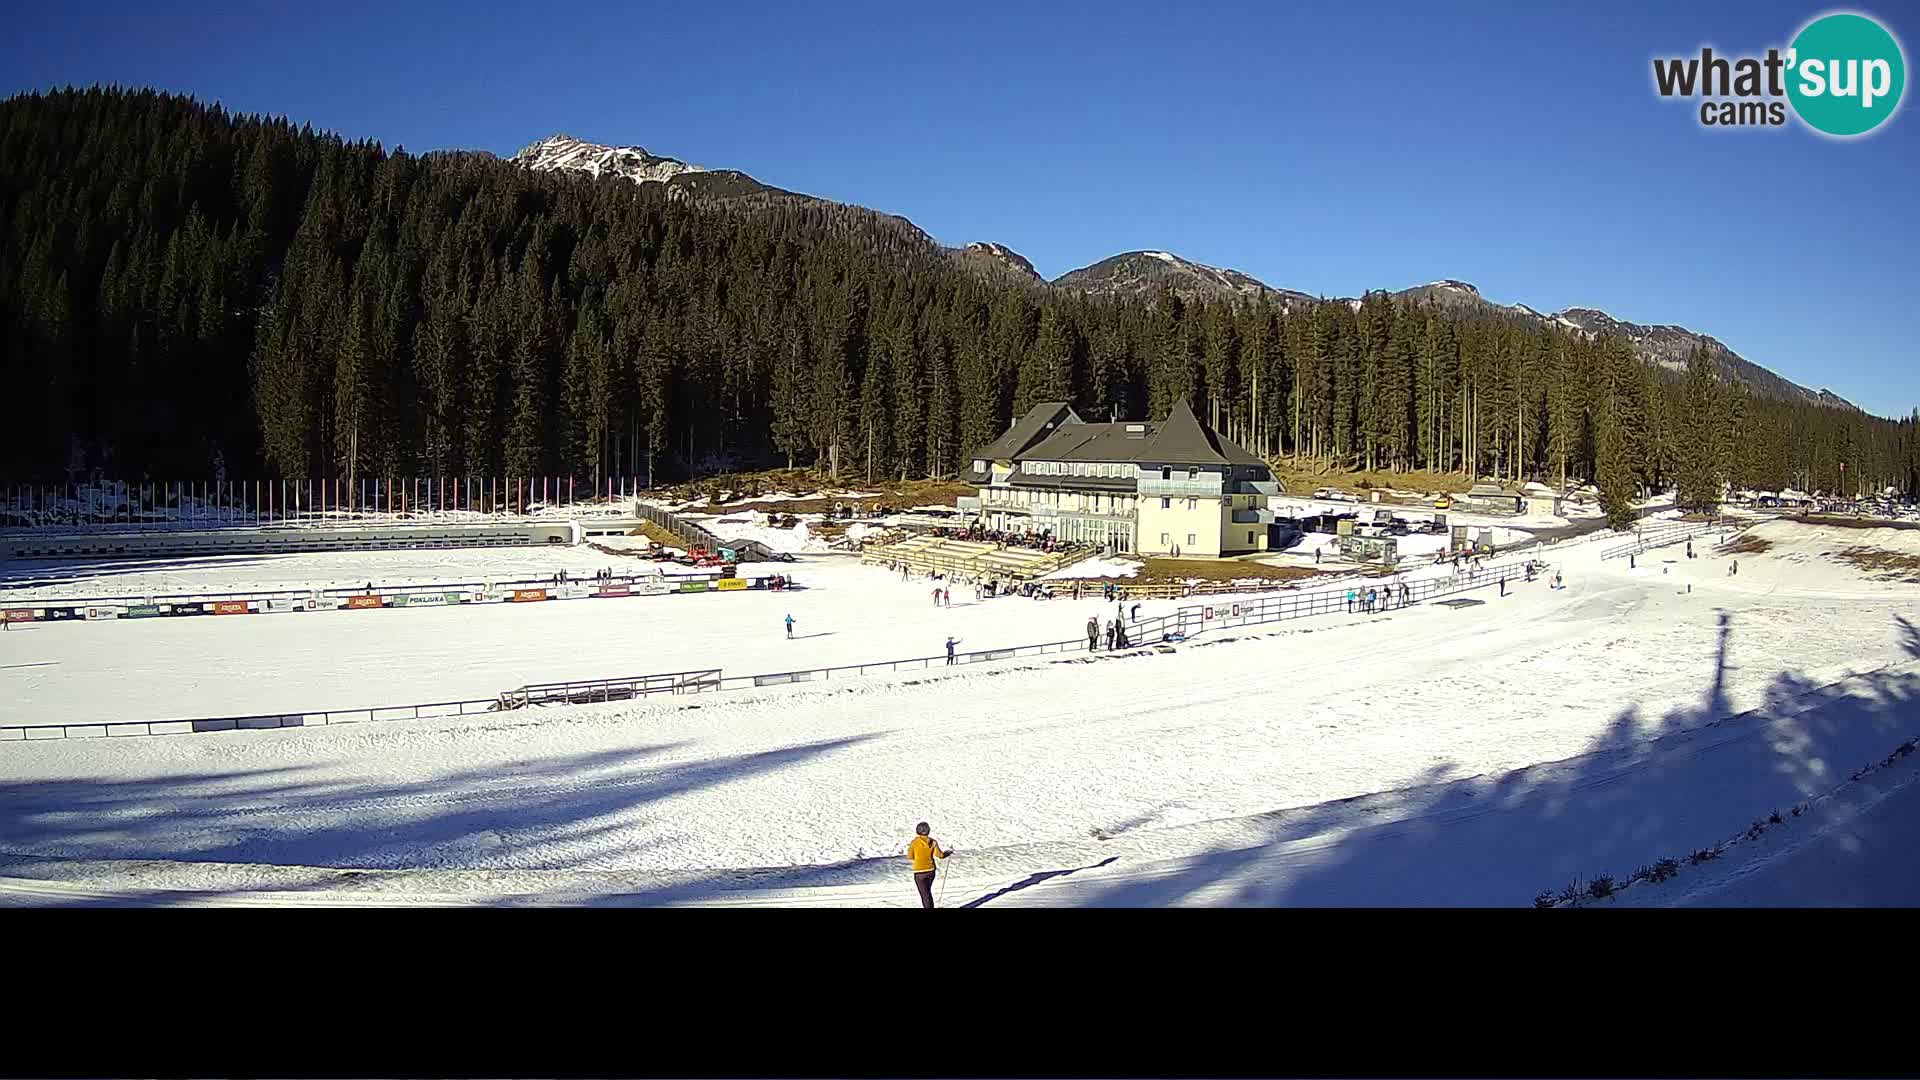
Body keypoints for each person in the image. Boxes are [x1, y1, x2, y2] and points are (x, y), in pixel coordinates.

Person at [907, 822, 951, 908]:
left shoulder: (914, 842)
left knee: (925, 895)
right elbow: (940, 855)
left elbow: (910, 857)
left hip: (919, 872)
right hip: (931, 871)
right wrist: (947, 853)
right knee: (927, 893)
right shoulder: (933, 842)